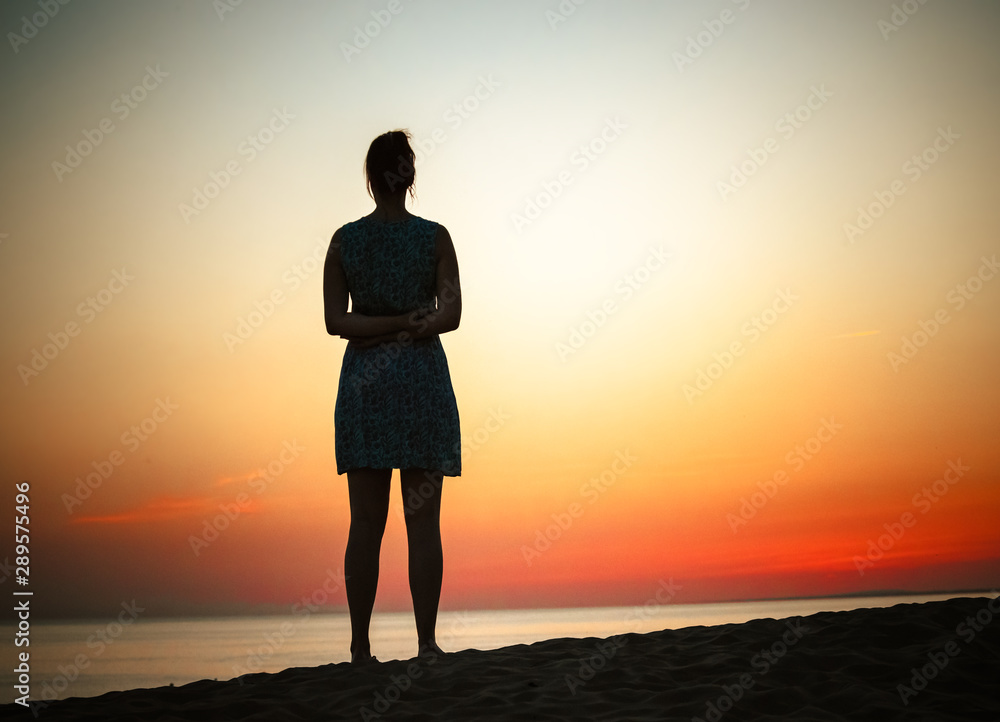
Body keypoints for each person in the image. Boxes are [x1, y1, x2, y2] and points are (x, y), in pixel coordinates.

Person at [323, 129, 462, 665]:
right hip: (422, 380)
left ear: (370, 177)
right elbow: (445, 315)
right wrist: (408, 324)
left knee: (366, 523)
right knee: (422, 523)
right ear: (408, 175)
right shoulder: (434, 237)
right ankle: (426, 644)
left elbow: (341, 322)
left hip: (366, 385)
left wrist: (379, 331)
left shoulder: (345, 240)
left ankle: (361, 646)